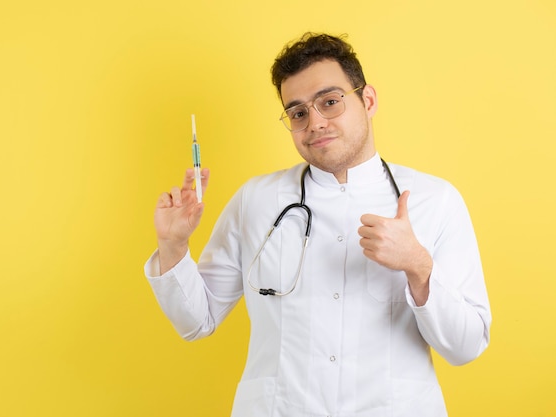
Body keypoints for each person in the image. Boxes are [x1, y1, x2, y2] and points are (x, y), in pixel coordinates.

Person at [144, 32, 491, 417]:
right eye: (298, 112)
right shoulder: (256, 201)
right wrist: (172, 245)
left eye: (330, 102)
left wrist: (418, 266)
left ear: (368, 100)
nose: (315, 123)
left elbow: (467, 346)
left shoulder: (435, 200)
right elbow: (197, 321)